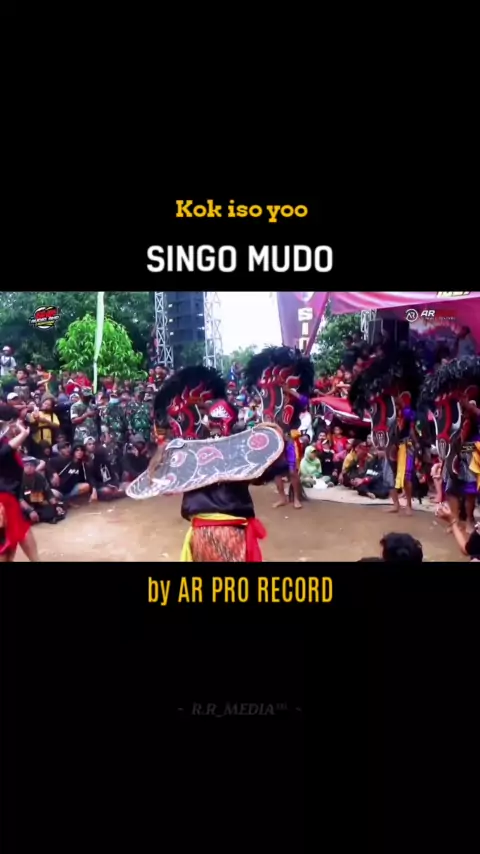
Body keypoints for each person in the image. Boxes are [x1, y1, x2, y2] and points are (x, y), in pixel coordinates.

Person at [131, 365, 279, 562]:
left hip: (225, 530)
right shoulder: (186, 448)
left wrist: (272, 436)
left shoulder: (235, 441)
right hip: (208, 529)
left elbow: (264, 473)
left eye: (204, 407)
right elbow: (160, 481)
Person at [245, 346, 314, 510]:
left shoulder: (291, 395)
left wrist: (289, 390)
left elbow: (306, 402)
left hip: (289, 437)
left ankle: (296, 499)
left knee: (292, 470)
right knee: (276, 471)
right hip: (274, 437)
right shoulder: (268, 396)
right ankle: (282, 497)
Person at [0, 405, 40, 561]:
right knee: (7, 541)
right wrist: (22, 435)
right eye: (17, 422)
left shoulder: (7, 440)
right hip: (4, 497)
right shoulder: (5, 442)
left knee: (18, 533)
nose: (19, 425)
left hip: (10, 495)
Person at [20, 458, 65, 524]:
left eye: (31, 465)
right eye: (26, 465)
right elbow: (19, 499)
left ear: (35, 467)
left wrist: (56, 506)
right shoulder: (19, 478)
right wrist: (30, 511)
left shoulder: (39, 477)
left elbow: (48, 493)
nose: (29, 467)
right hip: (23, 503)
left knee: (56, 509)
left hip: (37, 498)